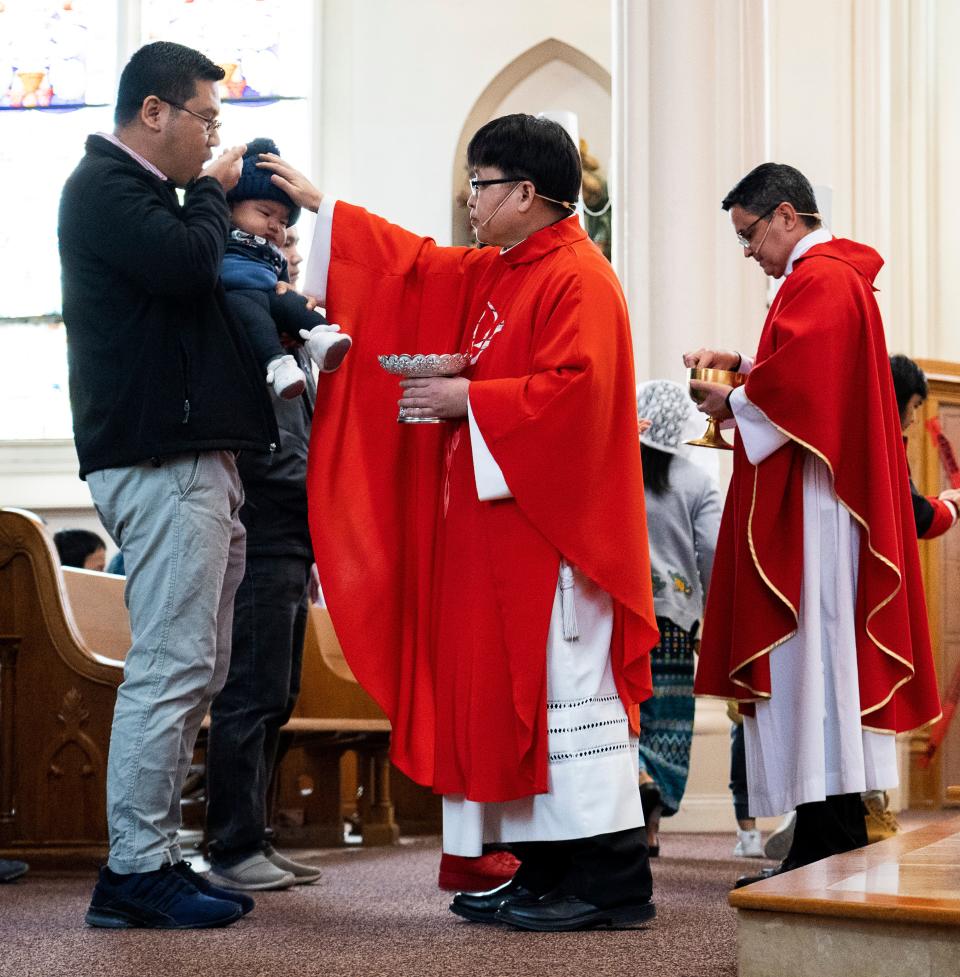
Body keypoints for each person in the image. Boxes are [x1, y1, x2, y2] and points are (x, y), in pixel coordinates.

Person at [259, 113, 659, 932]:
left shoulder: (579, 277)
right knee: (514, 711)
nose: (468, 199)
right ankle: (544, 870)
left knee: (564, 705)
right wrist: (327, 209)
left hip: (553, 547)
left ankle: (614, 882)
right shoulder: (503, 271)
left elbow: (577, 395)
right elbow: (415, 270)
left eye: (480, 183)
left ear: (526, 192)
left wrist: (468, 399)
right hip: (493, 537)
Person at [59, 40, 281, 929]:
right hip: (158, 454)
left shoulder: (149, 196)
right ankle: (134, 868)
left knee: (199, 665)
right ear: (155, 112)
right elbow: (192, 263)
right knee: (169, 664)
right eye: (205, 119)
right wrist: (214, 195)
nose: (212, 140)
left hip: (193, 453)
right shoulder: (108, 188)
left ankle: (154, 851)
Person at [685, 162, 940, 888]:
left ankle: (825, 836)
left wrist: (730, 399)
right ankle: (831, 830)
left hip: (819, 514)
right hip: (816, 502)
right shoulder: (822, 278)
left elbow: (801, 387)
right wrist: (742, 367)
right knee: (817, 668)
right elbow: (795, 371)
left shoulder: (821, 278)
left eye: (749, 234)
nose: (748, 252)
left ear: (786, 216)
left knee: (816, 663)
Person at [205, 210, 322, 892]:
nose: (280, 237)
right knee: (251, 687)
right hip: (260, 511)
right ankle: (232, 844)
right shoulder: (230, 298)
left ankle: (256, 834)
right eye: (267, 222)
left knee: (278, 690)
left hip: (292, 518)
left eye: (286, 228)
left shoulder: (282, 313)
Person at [634, 380, 721, 856]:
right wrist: (710, 617)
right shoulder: (697, 481)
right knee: (668, 719)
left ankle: (636, 777)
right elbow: (711, 552)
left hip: (623, 614)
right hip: (675, 621)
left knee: (624, 712)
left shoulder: (614, 470)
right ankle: (652, 825)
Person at [221, 137, 351, 400]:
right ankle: (278, 365)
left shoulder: (272, 252)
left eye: (282, 222)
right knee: (256, 320)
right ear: (231, 207)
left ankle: (320, 336)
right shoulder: (221, 236)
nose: (274, 226)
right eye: (264, 213)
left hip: (271, 293)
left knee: (293, 302)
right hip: (238, 296)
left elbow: (280, 274)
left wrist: (287, 287)